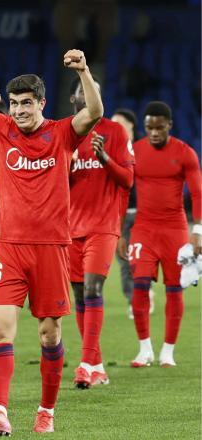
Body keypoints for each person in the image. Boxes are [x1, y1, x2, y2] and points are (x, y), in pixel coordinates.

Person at [0, 44, 102, 434]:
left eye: (26, 103)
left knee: (50, 334)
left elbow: (94, 112)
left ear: (42, 103)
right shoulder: (1, 129)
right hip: (7, 246)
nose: (18, 110)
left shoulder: (61, 133)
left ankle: (46, 410)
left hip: (51, 248)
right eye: (13, 103)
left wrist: (83, 71)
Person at [68, 78, 134, 389]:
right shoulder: (63, 133)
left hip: (103, 226)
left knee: (93, 290)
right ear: (73, 98)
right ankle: (96, 363)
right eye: (82, 87)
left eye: (92, 85)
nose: (87, 90)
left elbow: (127, 180)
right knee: (80, 295)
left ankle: (84, 363)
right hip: (70, 228)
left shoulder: (115, 131)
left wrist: (104, 158)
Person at [127, 101, 201, 368]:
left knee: (174, 290)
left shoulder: (185, 153)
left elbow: (197, 193)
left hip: (175, 229)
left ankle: (168, 351)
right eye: (149, 128)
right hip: (144, 228)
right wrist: (120, 229)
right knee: (140, 286)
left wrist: (197, 232)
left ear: (169, 125)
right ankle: (144, 350)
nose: (154, 132)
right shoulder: (135, 151)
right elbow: (123, 189)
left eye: (159, 127)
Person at [111, 108, 155, 319]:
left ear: (131, 125)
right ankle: (134, 300)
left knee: (139, 259)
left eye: (118, 123)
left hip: (142, 212)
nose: (114, 127)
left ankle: (144, 293)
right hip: (118, 215)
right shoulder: (109, 151)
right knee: (124, 261)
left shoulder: (144, 149)